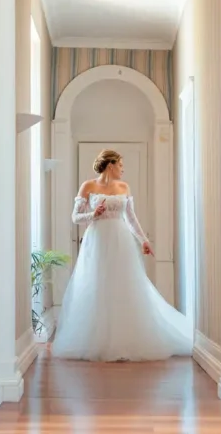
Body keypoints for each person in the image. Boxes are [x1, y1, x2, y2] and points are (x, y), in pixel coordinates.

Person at [52, 149, 192, 362]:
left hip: (121, 240)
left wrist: (144, 240)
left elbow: (131, 218)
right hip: (97, 240)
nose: (123, 170)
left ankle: (127, 338)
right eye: (120, 165)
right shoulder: (88, 186)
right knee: (96, 285)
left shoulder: (124, 187)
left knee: (124, 285)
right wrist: (93, 214)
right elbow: (75, 217)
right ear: (110, 165)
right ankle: (96, 340)